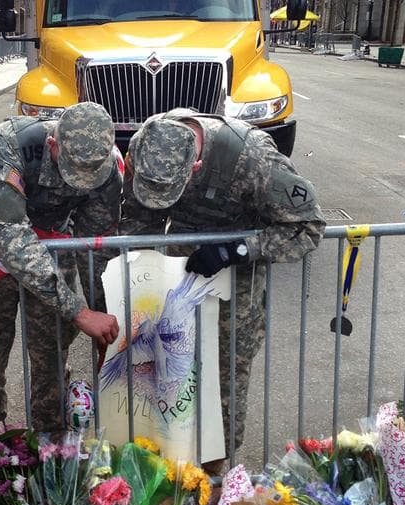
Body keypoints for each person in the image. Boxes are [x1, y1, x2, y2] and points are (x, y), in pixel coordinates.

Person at [120, 108, 325, 472]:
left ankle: (216, 473)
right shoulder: (145, 146)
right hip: (179, 271)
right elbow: (140, 217)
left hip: (236, 275)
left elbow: (308, 227)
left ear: (195, 168)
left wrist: (239, 250)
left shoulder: (254, 159)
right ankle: (171, 472)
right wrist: (136, 275)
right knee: (167, 369)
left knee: (224, 380)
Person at [0, 102, 122, 435]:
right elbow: (11, 238)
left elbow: (95, 248)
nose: (81, 183)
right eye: (73, 172)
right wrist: (79, 311)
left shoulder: (104, 166)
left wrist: (105, 313)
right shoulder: (5, 145)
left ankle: (52, 455)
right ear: (52, 144)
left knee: (51, 359)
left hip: (54, 249)